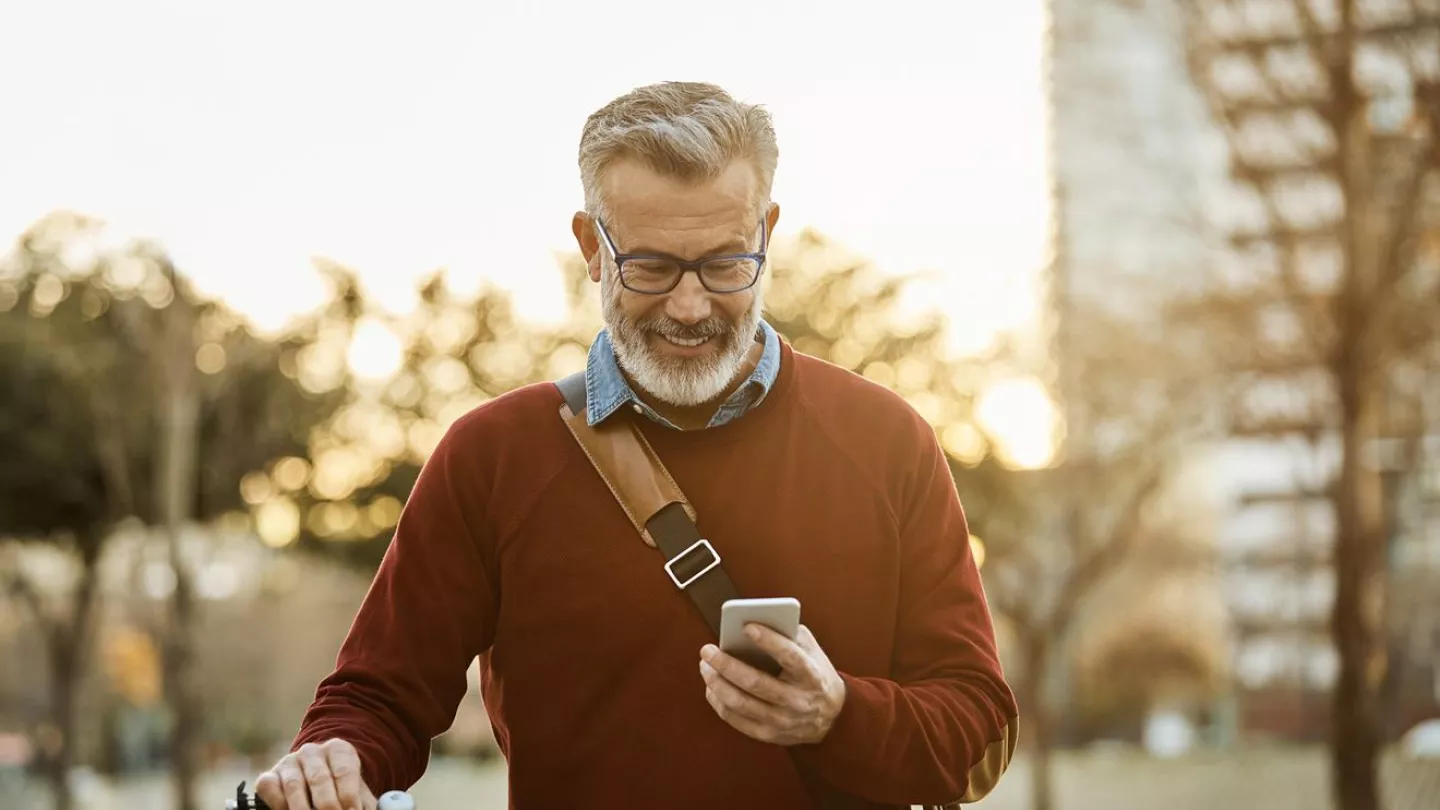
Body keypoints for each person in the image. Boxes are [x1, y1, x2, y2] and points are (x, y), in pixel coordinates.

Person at [254, 80, 1018, 810]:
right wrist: (335, 758)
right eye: (650, 266)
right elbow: (376, 699)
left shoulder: (890, 442)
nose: (690, 307)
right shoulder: (488, 458)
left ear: (767, 233)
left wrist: (841, 714)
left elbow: (978, 729)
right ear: (591, 246)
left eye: (725, 263)